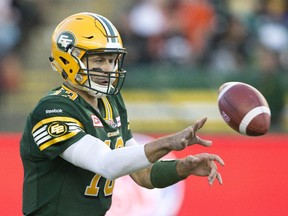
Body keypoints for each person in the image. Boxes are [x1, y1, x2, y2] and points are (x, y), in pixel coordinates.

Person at [20, 12, 225, 216]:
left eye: (111, 60)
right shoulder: (52, 110)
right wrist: (168, 142)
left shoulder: (111, 101)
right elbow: (106, 163)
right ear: (69, 60)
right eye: (99, 60)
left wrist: (183, 167)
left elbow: (142, 173)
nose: (108, 69)